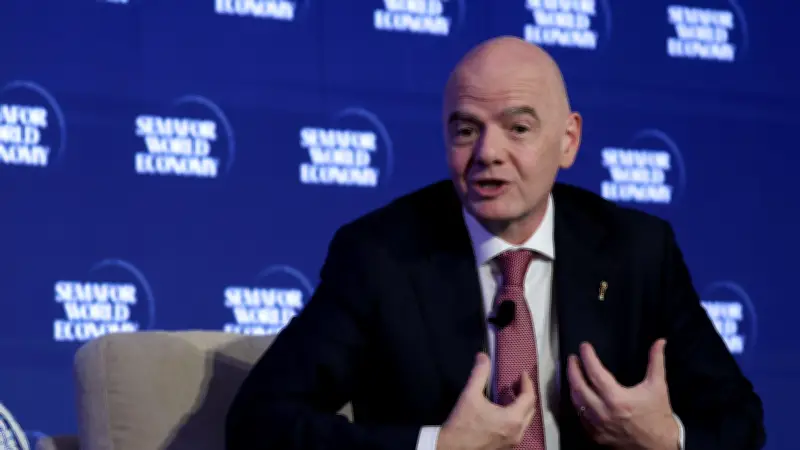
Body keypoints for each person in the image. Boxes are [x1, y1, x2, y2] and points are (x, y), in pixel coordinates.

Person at [225, 36, 765, 450]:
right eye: (466, 130)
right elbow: (259, 422)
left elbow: (740, 421)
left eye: (518, 128)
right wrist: (438, 447)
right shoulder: (379, 255)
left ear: (568, 141)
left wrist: (664, 439)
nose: (487, 152)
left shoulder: (637, 250)